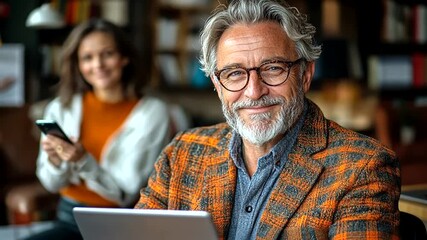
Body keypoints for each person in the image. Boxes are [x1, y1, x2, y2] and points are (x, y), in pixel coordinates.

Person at [135, 0, 401, 239]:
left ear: (305, 74)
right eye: (234, 73)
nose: (254, 91)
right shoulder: (182, 152)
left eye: (273, 69)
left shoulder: (362, 167)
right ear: (217, 84)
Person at [26, 18, 172, 240]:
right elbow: (51, 184)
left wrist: (82, 161)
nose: (98, 65)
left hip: (121, 224)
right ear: (78, 65)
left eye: (107, 54)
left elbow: (123, 195)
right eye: (87, 57)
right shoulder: (60, 107)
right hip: (68, 217)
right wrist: (56, 162)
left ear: (125, 58)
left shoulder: (153, 113)